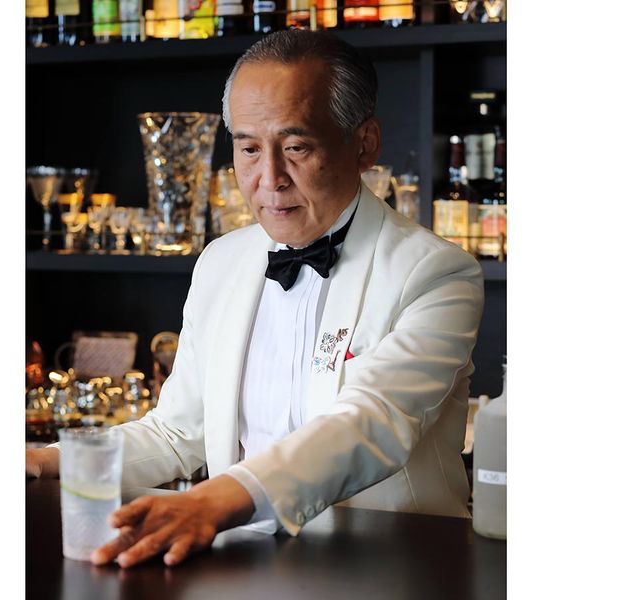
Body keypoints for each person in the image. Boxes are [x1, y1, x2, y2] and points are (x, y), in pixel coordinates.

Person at [27, 29, 484, 568]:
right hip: (243, 561)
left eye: (296, 147)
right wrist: (50, 461)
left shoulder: (434, 272)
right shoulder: (221, 261)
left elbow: (372, 421)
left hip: (391, 564)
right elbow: (177, 433)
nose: (269, 179)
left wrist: (213, 501)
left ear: (365, 143)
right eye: (248, 149)